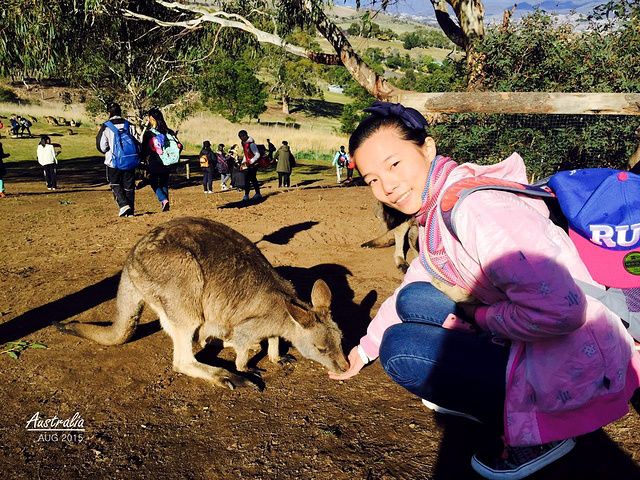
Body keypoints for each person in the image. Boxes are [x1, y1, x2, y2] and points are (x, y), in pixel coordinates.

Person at [329, 101, 640, 480]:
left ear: (427, 148)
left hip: (577, 359)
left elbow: (563, 310)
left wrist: (482, 317)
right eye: (372, 180)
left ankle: (543, 433)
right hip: (542, 334)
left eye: (394, 164)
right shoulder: (439, 206)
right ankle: (480, 384)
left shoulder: (476, 209)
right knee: (412, 300)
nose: (387, 187)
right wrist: (364, 349)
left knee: (400, 351)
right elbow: (417, 277)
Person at [96, 102, 139, 217]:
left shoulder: (106, 127)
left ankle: (123, 205)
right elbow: (138, 141)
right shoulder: (129, 125)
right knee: (129, 186)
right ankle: (130, 212)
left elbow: (102, 147)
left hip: (113, 162)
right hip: (130, 161)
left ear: (108, 113)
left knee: (115, 183)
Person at [142, 108, 181, 212]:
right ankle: (165, 204)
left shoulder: (150, 133)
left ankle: (163, 200)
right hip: (168, 161)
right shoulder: (169, 132)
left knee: (153, 182)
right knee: (164, 182)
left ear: (151, 118)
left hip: (156, 161)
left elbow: (144, 149)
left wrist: (143, 159)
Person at [238, 129, 262, 201]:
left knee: (248, 178)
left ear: (246, 135)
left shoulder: (251, 144)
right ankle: (255, 193)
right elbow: (246, 155)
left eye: (243, 136)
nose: (242, 138)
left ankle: (248, 194)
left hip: (254, 164)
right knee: (251, 179)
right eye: (240, 137)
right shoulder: (244, 144)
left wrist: (251, 161)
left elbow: (257, 155)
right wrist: (243, 162)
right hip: (249, 164)